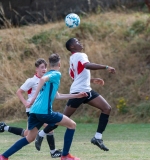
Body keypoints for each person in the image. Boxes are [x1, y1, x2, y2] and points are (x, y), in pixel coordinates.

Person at [0, 53, 88, 160]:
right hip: (44, 112)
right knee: (72, 125)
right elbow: (42, 80)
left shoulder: (49, 77)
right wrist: (33, 98)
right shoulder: (55, 74)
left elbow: (58, 96)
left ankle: (4, 156)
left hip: (34, 111)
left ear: (49, 65)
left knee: (29, 137)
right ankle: (65, 156)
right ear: (59, 64)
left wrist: (77, 95)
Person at [35, 38, 116, 152]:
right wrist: (106, 67)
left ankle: (97, 138)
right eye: (77, 42)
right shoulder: (80, 55)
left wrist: (92, 80)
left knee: (106, 108)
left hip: (86, 90)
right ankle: (42, 133)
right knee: (63, 118)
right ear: (72, 47)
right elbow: (87, 66)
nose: (80, 42)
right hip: (78, 92)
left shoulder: (72, 59)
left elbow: (75, 76)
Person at [0, 58, 62, 158]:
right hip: (33, 111)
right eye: (42, 67)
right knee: (50, 127)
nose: (44, 69)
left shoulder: (47, 79)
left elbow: (55, 95)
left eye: (45, 67)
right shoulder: (31, 81)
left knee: (27, 134)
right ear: (36, 69)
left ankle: (4, 127)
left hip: (41, 110)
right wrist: (25, 103)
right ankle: (53, 151)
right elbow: (19, 92)